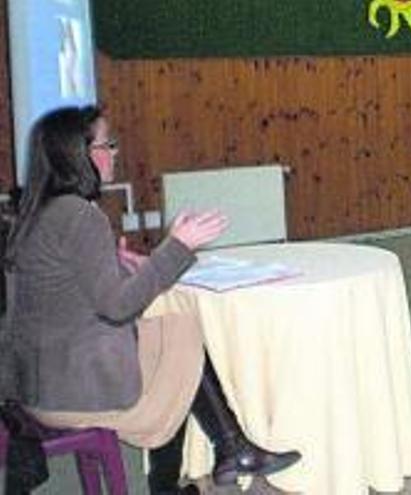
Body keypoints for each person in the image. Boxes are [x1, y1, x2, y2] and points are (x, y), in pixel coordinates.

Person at [0, 106, 300, 494]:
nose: (115, 153)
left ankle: (227, 450)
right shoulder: (78, 216)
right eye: (108, 144)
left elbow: (70, 294)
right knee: (183, 339)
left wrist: (121, 264)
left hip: (35, 382)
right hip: (72, 390)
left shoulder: (35, 211)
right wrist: (178, 247)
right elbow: (119, 308)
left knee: (173, 337)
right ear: (80, 153)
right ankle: (216, 457)